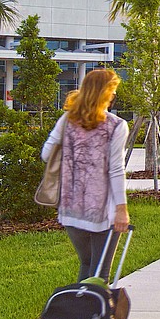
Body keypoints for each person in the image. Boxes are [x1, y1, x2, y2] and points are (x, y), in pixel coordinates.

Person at [41, 68, 130, 283]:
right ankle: (94, 316)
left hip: (71, 208)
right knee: (100, 274)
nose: (114, 96)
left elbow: (46, 155)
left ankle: (80, 313)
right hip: (102, 211)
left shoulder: (67, 120)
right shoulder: (116, 126)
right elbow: (116, 169)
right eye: (113, 91)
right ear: (105, 93)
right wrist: (122, 209)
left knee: (86, 264)